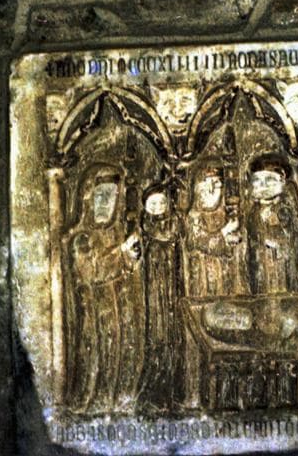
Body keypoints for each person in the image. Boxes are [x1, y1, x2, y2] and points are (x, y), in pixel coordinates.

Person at [63, 164, 143, 413]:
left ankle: (117, 398)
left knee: (119, 351)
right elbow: (92, 271)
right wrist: (121, 252)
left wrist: (131, 257)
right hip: (94, 314)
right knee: (98, 354)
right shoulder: (82, 237)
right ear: (88, 198)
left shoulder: (116, 232)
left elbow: (127, 271)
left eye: (112, 196)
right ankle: (93, 399)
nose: (106, 203)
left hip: (119, 311)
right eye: (101, 195)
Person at [138, 183, 186, 412]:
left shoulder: (174, 225)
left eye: (161, 202)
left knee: (172, 338)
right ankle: (154, 390)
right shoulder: (145, 226)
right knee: (157, 338)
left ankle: (173, 391)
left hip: (172, 289)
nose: (157, 207)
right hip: (154, 290)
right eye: (153, 203)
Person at [246, 154, 298, 295]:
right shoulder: (254, 210)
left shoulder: (284, 208)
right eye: (257, 181)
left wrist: (271, 237)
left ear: (283, 182)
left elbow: (291, 237)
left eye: (270, 180)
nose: (263, 186)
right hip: (260, 263)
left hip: (280, 264)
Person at [185, 166, 240, 297]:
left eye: (216, 185)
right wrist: (224, 232)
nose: (210, 191)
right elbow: (199, 241)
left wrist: (232, 240)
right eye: (204, 186)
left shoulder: (225, 213)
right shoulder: (194, 216)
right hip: (202, 275)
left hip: (225, 273)